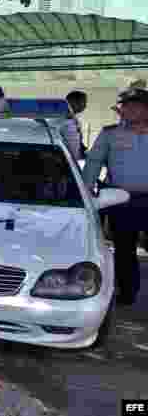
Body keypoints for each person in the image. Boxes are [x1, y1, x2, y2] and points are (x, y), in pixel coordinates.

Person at [82, 87, 148, 306]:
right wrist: (86, 192)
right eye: (125, 106)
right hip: (121, 199)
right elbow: (93, 163)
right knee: (124, 250)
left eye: (135, 106)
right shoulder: (110, 134)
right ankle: (127, 293)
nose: (129, 110)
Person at [60, 90, 88, 162]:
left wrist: (85, 151)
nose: (85, 106)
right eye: (84, 102)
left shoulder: (75, 120)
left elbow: (77, 142)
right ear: (74, 102)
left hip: (73, 161)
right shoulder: (60, 121)